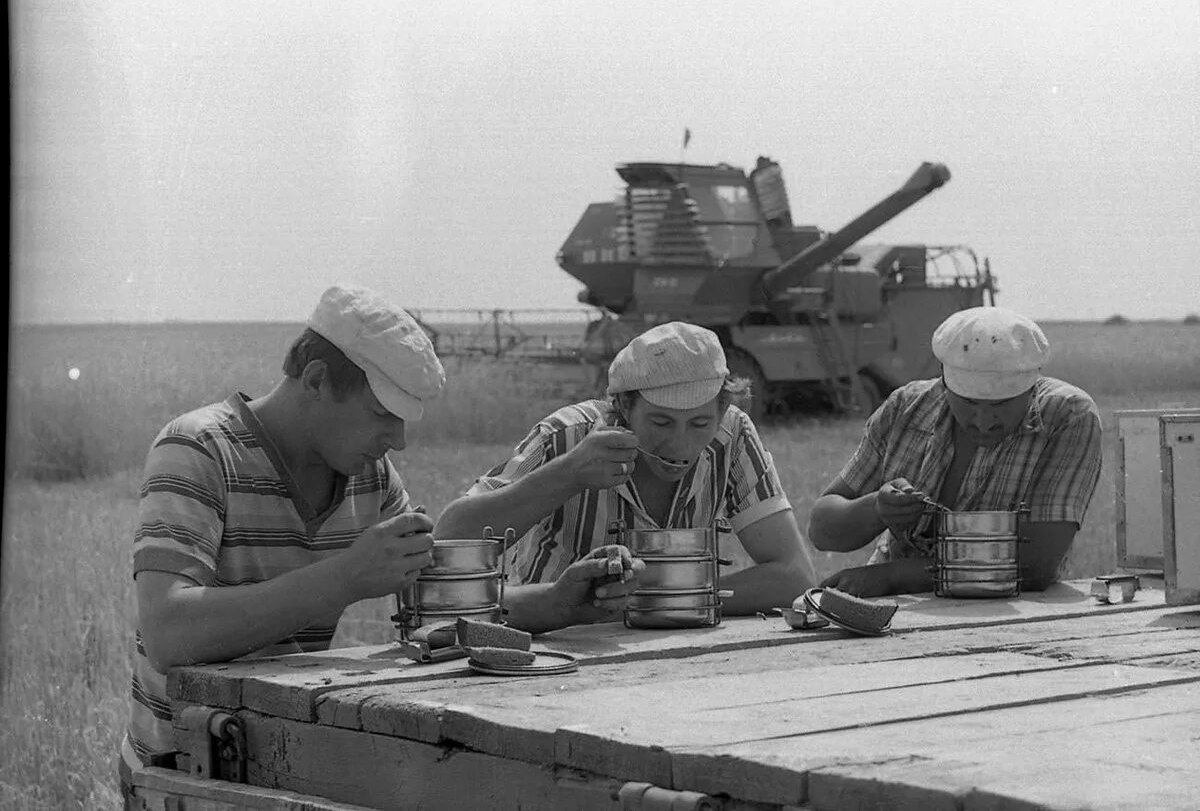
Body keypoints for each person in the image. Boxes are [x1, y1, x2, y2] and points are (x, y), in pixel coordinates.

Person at [119, 284, 641, 804]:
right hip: (185, 771)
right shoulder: (198, 449)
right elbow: (168, 633)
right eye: (382, 414)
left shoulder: (368, 474)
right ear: (317, 380)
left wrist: (557, 602)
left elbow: (440, 604)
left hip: (280, 757)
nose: (400, 440)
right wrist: (346, 577)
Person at [435, 321, 816, 617]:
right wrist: (566, 475)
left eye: (699, 424)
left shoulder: (733, 435)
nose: (681, 443)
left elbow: (794, 576)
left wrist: (658, 591)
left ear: (723, 410)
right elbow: (449, 539)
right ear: (622, 409)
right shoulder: (567, 436)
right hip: (556, 646)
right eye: (661, 423)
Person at [808, 306, 1103, 596]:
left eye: (1001, 405)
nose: (984, 422)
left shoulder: (1068, 416)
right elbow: (821, 529)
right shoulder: (906, 408)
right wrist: (877, 507)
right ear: (944, 381)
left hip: (1004, 615)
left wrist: (894, 576)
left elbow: (1035, 566)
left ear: (1032, 387)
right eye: (969, 403)